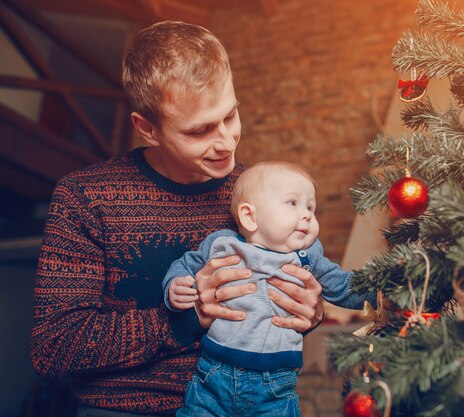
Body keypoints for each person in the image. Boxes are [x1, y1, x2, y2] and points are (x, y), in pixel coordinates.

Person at [30, 21, 323, 417]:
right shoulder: (85, 198)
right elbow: (54, 348)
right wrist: (183, 319)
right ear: (147, 128)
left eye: (230, 116)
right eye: (199, 131)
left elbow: (291, 297)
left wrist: (309, 313)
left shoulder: (260, 195)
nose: (225, 141)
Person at [163, 161, 374, 417]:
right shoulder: (222, 244)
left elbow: (342, 285)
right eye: (292, 203)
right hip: (213, 374)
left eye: (311, 207)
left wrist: (383, 288)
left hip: (275, 384)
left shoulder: (307, 256)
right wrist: (175, 286)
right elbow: (185, 265)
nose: (307, 214)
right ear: (250, 217)